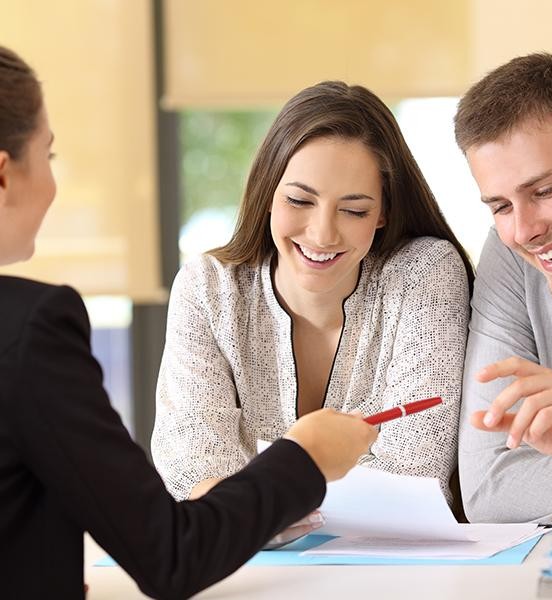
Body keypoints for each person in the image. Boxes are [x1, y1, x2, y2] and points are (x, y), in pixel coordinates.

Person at [0, 46, 379, 599]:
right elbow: (170, 555)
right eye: (49, 156)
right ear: (5, 175)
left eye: (355, 208)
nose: (323, 233)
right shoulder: (30, 329)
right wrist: (306, 457)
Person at [151, 80, 474, 513]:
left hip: (394, 568)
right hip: (247, 567)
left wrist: (261, 498)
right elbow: (196, 472)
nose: (322, 234)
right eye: (300, 200)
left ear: (384, 213)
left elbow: (416, 471)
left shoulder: (424, 272)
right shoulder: (208, 289)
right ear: (267, 195)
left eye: (355, 210)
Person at [454, 53, 552, 523]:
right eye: (500, 205)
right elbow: (491, 487)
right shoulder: (513, 252)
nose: (524, 231)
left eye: (544, 191)